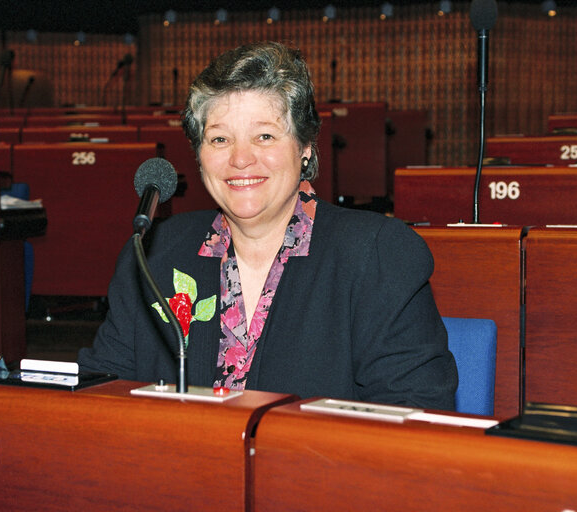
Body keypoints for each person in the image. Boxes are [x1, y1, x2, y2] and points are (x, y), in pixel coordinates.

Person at [78, 41, 457, 410]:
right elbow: (102, 393)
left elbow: (414, 416)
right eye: (220, 138)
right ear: (198, 155)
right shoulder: (152, 256)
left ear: (304, 147)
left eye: (264, 136)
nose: (241, 158)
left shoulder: (378, 254)